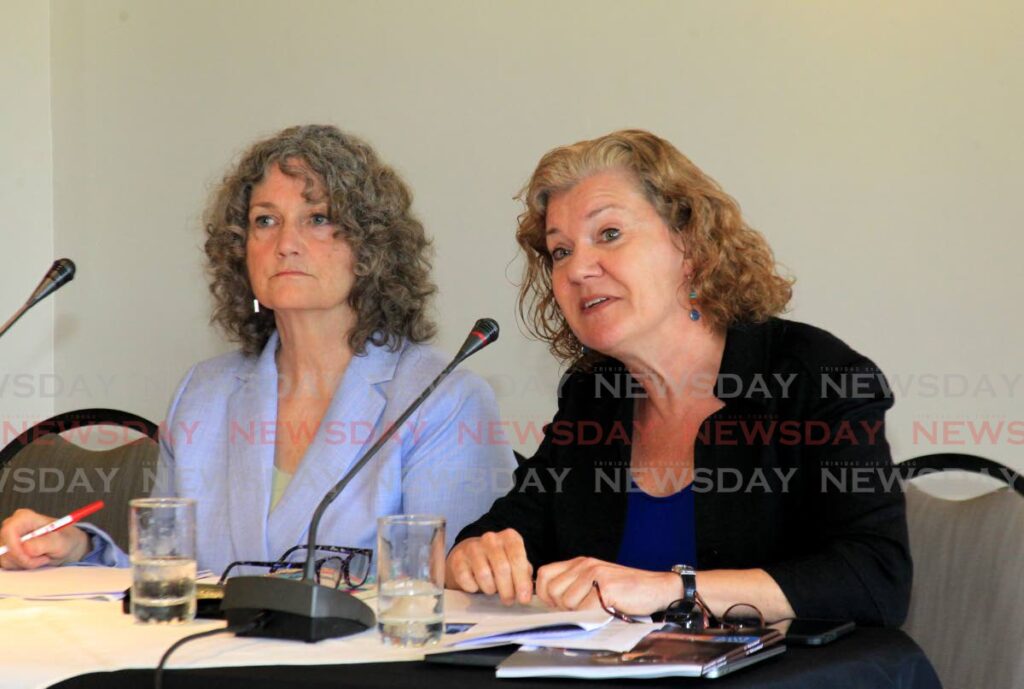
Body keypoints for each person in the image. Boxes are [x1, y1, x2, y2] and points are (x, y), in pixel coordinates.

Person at [1, 125, 515, 575]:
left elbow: (453, 593)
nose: (285, 242)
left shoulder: (443, 398)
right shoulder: (204, 391)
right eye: (265, 220)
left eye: (317, 218)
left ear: (370, 249)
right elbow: (169, 574)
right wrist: (76, 548)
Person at [446, 129, 911, 627]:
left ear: (689, 243)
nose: (579, 268)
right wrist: (475, 554)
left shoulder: (816, 377)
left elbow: (875, 577)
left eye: (609, 234)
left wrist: (673, 589)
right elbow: (512, 528)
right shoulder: (595, 397)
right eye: (560, 251)